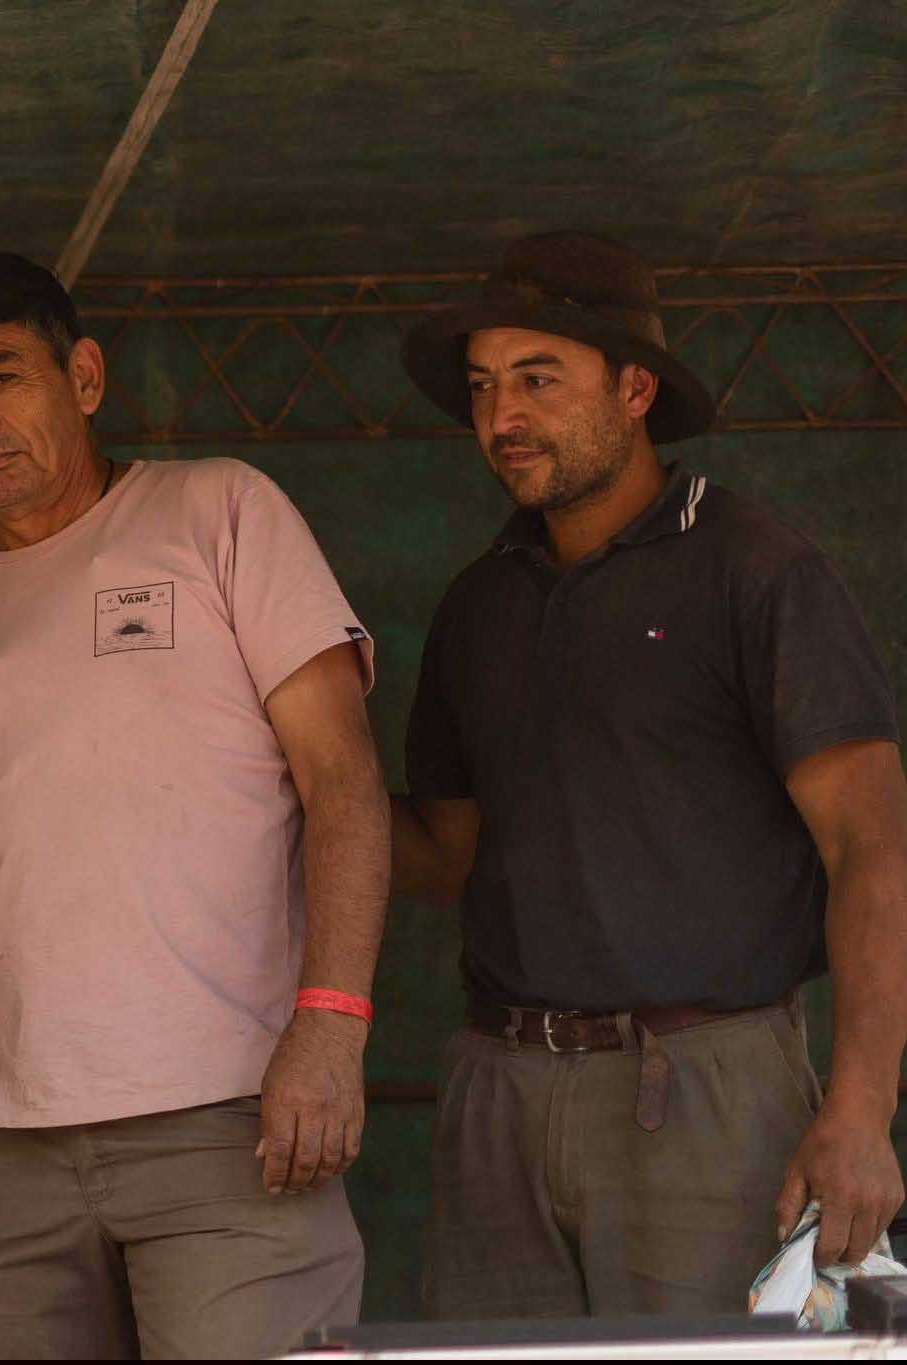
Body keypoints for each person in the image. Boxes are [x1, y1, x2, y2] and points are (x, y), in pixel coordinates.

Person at [392, 230, 907, 1317]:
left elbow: (872, 845)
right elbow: (445, 856)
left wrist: (862, 1109)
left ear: (634, 390)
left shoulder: (755, 569)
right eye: (481, 385)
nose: (500, 415)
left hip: (706, 1083)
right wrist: (271, 782)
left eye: (537, 379)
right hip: (498, 1084)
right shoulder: (477, 602)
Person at [0, 253, 389, 1359]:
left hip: (229, 1118)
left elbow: (344, 781)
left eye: (3, 375)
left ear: (83, 377)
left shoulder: (219, 509)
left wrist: (330, 1026)